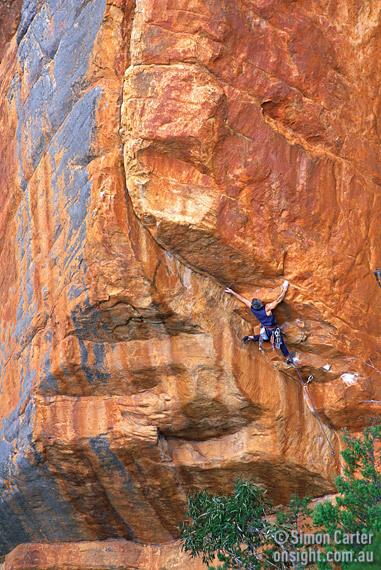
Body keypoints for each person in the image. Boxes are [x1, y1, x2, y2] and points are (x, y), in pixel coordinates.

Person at [224, 281, 296, 364]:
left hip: (266, 329)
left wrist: (232, 292)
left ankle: (250, 337)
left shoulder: (252, 308)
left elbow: (243, 299)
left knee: (264, 337)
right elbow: (278, 300)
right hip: (273, 329)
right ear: (261, 304)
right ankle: (288, 357)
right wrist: (285, 288)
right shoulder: (267, 309)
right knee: (281, 343)